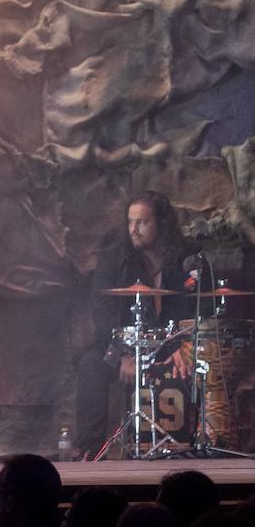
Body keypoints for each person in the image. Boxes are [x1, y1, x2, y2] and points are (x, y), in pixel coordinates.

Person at [75, 191, 197, 459]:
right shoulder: (113, 259)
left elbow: (195, 307)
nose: (134, 229)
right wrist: (125, 355)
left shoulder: (185, 259)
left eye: (142, 222)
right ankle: (90, 450)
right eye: (130, 222)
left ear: (161, 225)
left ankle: (193, 444)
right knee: (90, 366)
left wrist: (183, 346)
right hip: (123, 346)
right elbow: (103, 314)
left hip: (169, 345)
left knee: (199, 366)